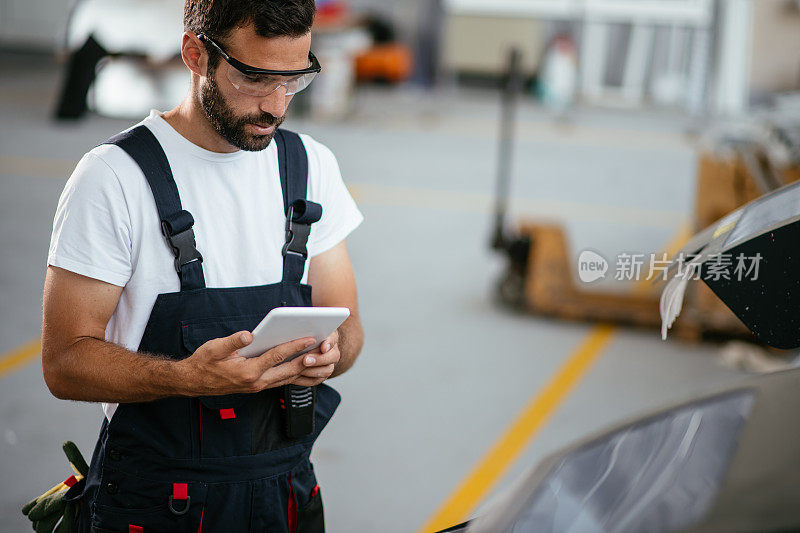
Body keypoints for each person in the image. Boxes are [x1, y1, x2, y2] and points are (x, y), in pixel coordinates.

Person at [40, 0, 363, 530]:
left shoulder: (311, 167)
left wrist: (332, 353)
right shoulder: (114, 179)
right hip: (157, 502)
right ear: (195, 54)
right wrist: (189, 377)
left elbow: (349, 329)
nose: (277, 106)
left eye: (294, 80)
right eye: (256, 78)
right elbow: (64, 362)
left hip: (285, 496)